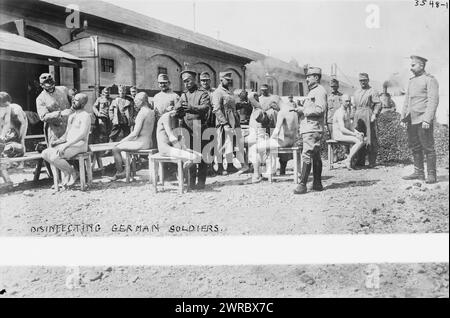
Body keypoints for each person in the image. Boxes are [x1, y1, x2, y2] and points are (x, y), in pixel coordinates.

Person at [401, 55, 439, 184]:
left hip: (423, 120)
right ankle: (419, 172)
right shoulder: (411, 81)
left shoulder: (430, 80)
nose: (410, 68)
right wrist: (403, 117)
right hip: (412, 119)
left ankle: (432, 175)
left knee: (428, 147)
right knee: (415, 147)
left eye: (413, 65)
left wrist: (427, 119)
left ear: (421, 66)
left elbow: (433, 100)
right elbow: (407, 100)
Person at [41, 93, 91, 187]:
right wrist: (58, 141)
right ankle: (68, 171)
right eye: (73, 99)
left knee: (55, 156)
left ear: (83, 103)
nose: (73, 101)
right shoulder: (72, 116)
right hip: (69, 145)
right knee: (44, 153)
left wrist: (65, 145)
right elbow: (66, 134)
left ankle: (72, 172)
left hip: (80, 145)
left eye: (76, 100)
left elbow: (82, 134)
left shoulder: (85, 116)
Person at [292, 67, 328, 194]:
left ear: (316, 77)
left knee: (307, 154)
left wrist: (303, 110)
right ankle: (317, 183)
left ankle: (302, 184)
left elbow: (320, 109)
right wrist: (300, 108)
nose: (306, 79)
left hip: (312, 128)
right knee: (316, 156)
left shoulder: (319, 91)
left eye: (309, 76)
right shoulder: (314, 91)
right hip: (311, 127)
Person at [177, 70, 211, 190]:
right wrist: (177, 110)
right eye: (184, 82)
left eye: (188, 81)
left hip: (199, 127)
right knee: (190, 155)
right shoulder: (183, 95)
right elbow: (178, 109)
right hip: (187, 128)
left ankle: (201, 182)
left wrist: (191, 108)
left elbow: (205, 107)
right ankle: (191, 182)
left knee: (201, 156)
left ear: (195, 80)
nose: (186, 84)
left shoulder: (202, 93)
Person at [111, 92, 156, 180]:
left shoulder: (142, 113)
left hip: (141, 143)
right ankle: (127, 169)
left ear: (142, 101)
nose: (135, 103)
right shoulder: (151, 112)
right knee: (124, 149)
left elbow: (135, 133)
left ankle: (120, 173)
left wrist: (122, 141)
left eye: (136, 101)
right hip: (149, 142)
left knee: (115, 148)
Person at [212, 71, 249, 175]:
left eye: (230, 80)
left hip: (233, 121)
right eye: (226, 80)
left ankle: (230, 166)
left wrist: (240, 105)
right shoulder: (218, 92)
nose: (229, 81)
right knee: (221, 144)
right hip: (223, 122)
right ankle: (219, 167)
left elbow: (231, 107)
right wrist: (224, 123)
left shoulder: (229, 92)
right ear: (221, 80)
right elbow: (216, 109)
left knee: (231, 144)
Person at [256, 99, 300, 179]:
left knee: (258, 146)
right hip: (292, 141)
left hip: (284, 142)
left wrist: (270, 139)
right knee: (271, 147)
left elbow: (276, 130)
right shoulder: (293, 111)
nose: (275, 110)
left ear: (275, 104)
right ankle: (271, 171)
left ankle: (264, 173)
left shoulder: (282, 112)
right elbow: (297, 128)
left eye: (274, 108)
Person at [352, 72, 382, 168]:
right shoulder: (356, 92)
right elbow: (353, 106)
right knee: (359, 138)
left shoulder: (372, 91)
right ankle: (360, 160)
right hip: (358, 115)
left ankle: (372, 161)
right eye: (361, 80)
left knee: (370, 137)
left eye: (364, 80)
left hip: (368, 114)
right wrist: (352, 117)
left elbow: (378, 104)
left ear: (368, 80)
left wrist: (374, 114)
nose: (363, 82)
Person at [36, 73, 73, 146]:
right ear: (42, 85)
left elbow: (73, 102)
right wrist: (60, 114)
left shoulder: (63, 89)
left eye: (51, 83)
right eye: (47, 85)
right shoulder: (40, 98)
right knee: (56, 153)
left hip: (70, 127)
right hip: (55, 130)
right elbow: (43, 116)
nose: (50, 87)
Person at [0, 92, 28, 184]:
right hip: (13, 123)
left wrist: (21, 137)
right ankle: (12, 161)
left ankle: (22, 163)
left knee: (21, 141)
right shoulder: (5, 109)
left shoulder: (16, 109)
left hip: (22, 122)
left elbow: (23, 124)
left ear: (7, 102)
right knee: (9, 141)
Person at [332, 94, 365, 169]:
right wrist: (354, 135)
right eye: (346, 101)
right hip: (338, 135)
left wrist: (357, 133)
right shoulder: (340, 112)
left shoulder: (346, 111)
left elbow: (350, 126)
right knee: (359, 141)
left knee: (362, 139)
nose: (348, 103)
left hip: (343, 134)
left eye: (349, 101)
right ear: (341, 102)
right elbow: (342, 129)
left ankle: (348, 159)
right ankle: (348, 160)